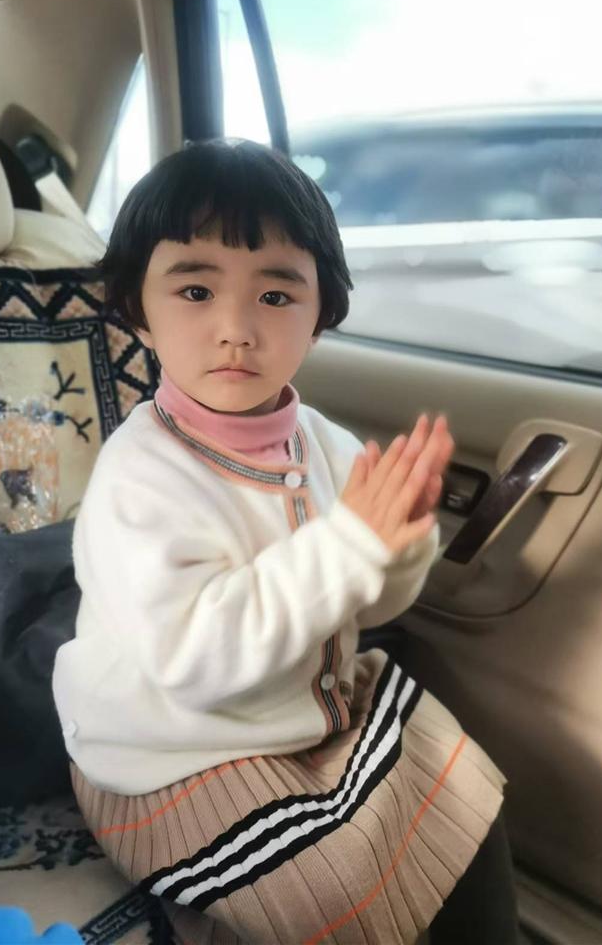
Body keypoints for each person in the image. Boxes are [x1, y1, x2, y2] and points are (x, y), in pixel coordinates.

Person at [52, 140, 518, 945]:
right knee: (331, 890)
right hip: (173, 755)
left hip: (305, 713)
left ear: (320, 314)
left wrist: (396, 542)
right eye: (195, 290)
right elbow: (193, 661)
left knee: (465, 787)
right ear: (137, 309)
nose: (235, 329)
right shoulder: (140, 477)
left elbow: (370, 602)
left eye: (275, 295)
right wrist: (348, 545)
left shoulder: (324, 443)